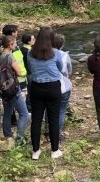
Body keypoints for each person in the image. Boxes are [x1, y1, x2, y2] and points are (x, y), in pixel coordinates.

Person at [27, 27, 63, 160]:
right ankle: (55, 150)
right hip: (53, 87)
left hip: (37, 87)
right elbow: (60, 68)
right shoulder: (55, 53)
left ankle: (36, 151)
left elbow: (29, 69)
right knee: (53, 119)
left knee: (36, 120)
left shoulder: (30, 53)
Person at [0, 36, 29, 144]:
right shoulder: (10, 56)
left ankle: (7, 135)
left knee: (8, 112)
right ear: (10, 45)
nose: (16, 45)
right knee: (24, 114)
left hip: (3, 88)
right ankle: (20, 137)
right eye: (14, 44)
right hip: (12, 88)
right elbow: (19, 72)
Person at [0, 25, 27, 126]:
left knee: (8, 101)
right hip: (14, 77)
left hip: (4, 78)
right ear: (12, 33)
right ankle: (14, 121)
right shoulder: (11, 50)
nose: (18, 33)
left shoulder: (0, 46)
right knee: (15, 102)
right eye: (16, 31)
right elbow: (17, 62)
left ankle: (10, 123)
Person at [52, 33, 72, 141]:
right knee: (61, 111)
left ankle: (47, 129)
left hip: (48, 85)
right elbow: (69, 71)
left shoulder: (45, 53)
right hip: (63, 86)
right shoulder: (64, 55)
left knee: (49, 109)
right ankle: (57, 134)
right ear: (62, 45)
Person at [20, 33, 35, 112]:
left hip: (27, 72)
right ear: (29, 42)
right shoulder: (27, 51)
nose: (34, 40)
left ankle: (29, 105)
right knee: (31, 89)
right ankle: (29, 106)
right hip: (29, 72)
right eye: (33, 39)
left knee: (31, 89)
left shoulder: (22, 48)